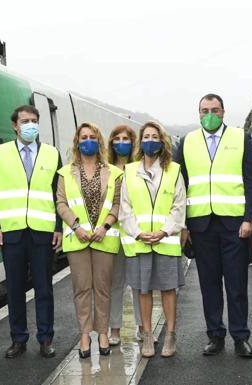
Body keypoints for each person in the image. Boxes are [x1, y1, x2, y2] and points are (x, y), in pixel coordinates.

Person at [175, 93, 252, 357]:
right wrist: (183, 224)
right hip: (201, 225)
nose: (208, 114)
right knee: (209, 285)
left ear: (223, 112)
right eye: (203, 110)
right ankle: (215, 335)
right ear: (198, 113)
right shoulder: (187, 141)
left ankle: (240, 336)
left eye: (214, 109)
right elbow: (179, 184)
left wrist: (249, 218)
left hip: (234, 224)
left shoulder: (239, 137)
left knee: (237, 285)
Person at [0, 105, 62, 359]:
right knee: (15, 290)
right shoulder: (1, 153)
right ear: (14, 126)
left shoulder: (52, 154)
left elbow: (58, 194)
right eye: (25, 121)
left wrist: (59, 227)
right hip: (12, 233)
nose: (30, 125)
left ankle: (45, 339)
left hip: (42, 232)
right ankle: (18, 339)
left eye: (34, 121)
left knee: (44, 289)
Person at [56, 122, 123, 359]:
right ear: (77, 142)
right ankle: (84, 334)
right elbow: (61, 203)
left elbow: (117, 203)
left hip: (104, 238)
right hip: (78, 239)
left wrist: (105, 226)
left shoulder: (114, 173)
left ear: (99, 141)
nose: (87, 141)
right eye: (83, 137)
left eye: (92, 136)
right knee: (82, 288)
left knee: (103, 288)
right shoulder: (66, 172)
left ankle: (102, 333)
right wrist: (76, 226)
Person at [119, 121, 186, 358]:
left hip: (165, 241)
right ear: (140, 141)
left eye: (154, 136)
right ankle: (147, 335)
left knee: (168, 290)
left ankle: (170, 334)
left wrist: (164, 231)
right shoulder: (129, 171)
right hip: (140, 241)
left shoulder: (174, 170)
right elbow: (124, 207)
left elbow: (179, 206)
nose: (150, 140)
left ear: (162, 141)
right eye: (146, 136)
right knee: (143, 290)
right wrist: (137, 232)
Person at [106, 125, 145, 346]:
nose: (122, 142)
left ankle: (142, 327)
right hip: (112, 235)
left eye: (126, 139)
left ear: (133, 142)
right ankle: (115, 330)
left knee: (139, 284)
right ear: (111, 143)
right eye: (117, 138)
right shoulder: (106, 169)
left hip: (134, 234)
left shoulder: (140, 168)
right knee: (116, 284)